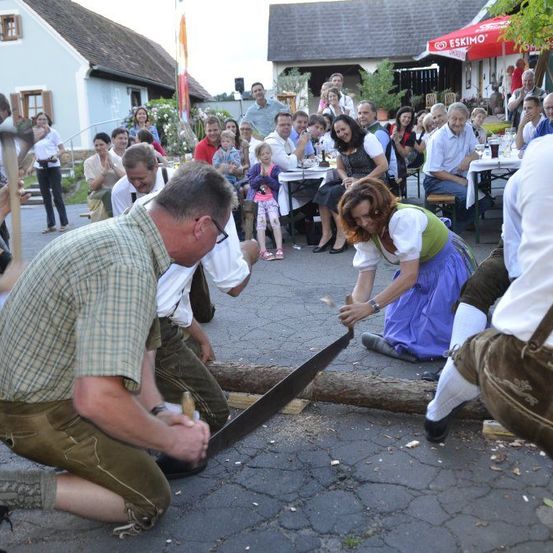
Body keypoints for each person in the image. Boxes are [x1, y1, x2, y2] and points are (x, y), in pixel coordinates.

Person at [0, 162, 236, 535]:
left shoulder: (126, 237)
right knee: (148, 499)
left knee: (139, 439)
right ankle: (8, 490)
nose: (213, 246)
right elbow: (97, 399)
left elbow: (142, 352)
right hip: (35, 411)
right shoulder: (129, 266)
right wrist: (172, 440)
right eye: (219, 236)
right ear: (202, 225)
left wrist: (157, 411)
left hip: (39, 390)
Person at [423, 135, 553, 459]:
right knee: (477, 287)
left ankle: (436, 414)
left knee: (478, 355)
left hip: (534, 341)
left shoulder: (540, 155)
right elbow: (513, 246)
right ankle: (439, 405)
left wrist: (522, 290)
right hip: (517, 255)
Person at [338, 180, 476, 362]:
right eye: (357, 219)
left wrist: (369, 307)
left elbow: (409, 277)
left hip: (448, 265)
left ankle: (469, 318)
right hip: (418, 269)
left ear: (381, 206)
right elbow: (365, 278)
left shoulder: (403, 219)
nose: (364, 223)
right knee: (397, 331)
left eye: (368, 215)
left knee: (434, 338)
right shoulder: (365, 231)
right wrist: (354, 308)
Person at [111, 144, 215, 325]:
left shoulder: (177, 180)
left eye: (141, 178)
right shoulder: (119, 191)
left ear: (155, 167)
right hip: (144, 250)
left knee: (199, 311)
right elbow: (122, 231)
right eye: (131, 179)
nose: (136, 184)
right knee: (162, 309)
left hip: (181, 247)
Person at [313, 115, 387, 254]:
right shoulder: (341, 144)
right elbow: (340, 168)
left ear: (351, 126)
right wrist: (345, 178)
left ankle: (343, 235)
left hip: (372, 181)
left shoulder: (367, 139)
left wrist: (359, 181)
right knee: (323, 190)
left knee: (335, 193)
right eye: (338, 131)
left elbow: (383, 166)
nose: (341, 133)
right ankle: (326, 233)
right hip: (351, 181)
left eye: (343, 129)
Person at [423, 102, 491, 233]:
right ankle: (451, 231)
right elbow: (434, 170)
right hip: (435, 180)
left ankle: (450, 227)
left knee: (485, 202)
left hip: (457, 177)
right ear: (448, 118)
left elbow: (478, 150)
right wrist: (459, 181)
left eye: (461, 119)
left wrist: (469, 158)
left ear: (467, 119)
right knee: (467, 195)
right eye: (454, 118)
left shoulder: (468, 129)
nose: (458, 123)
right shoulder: (438, 138)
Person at [31, 112, 69, 233]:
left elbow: (62, 149)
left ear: (48, 121)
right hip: (40, 167)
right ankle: (51, 225)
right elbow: (34, 153)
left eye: (44, 119)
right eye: (39, 119)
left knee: (57, 196)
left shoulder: (53, 133)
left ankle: (64, 223)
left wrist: (55, 155)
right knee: (46, 197)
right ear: (36, 121)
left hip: (53, 167)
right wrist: (31, 166)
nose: (42, 121)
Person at [247, 143, 283, 260]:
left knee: (275, 221)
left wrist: (266, 177)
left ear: (271, 153)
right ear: (258, 156)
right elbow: (252, 184)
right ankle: (263, 250)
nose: (265, 156)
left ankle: (279, 248)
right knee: (261, 224)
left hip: (271, 200)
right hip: (259, 200)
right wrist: (261, 176)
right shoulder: (256, 168)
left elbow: (277, 186)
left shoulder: (275, 168)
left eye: (267, 153)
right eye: (262, 154)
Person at [84, 132, 126, 222]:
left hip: (116, 194)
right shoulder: (89, 162)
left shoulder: (117, 159)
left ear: (108, 144)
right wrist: (104, 172)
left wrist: (113, 167)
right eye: (96, 145)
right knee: (108, 192)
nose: (98, 148)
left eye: (101, 145)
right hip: (98, 195)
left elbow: (126, 179)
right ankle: (113, 218)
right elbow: (93, 187)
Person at [389, 107, 415, 197]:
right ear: (399, 117)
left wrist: (396, 141)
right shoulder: (389, 127)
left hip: (399, 162)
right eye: (404, 116)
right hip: (387, 159)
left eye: (409, 118)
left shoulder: (411, 134)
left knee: (398, 178)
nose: (406, 119)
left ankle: (398, 195)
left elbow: (404, 154)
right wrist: (391, 137)